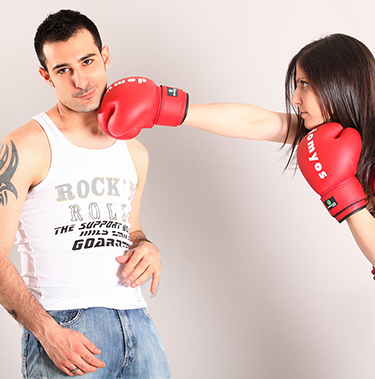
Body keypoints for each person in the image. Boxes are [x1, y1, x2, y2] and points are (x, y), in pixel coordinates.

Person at [0, 9, 185, 378]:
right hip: (66, 327)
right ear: (45, 76)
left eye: (87, 61)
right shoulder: (26, 147)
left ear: (106, 56)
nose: (80, 80)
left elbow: (131, 229)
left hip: (137, 324)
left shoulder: (133, 151)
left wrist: (147, 246)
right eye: (63, 70)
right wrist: (47, 332)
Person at [99, 33, 375, 275]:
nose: (295, 98)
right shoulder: (331, 136)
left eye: (304, 84)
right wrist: (163, 108)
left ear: (338, 85)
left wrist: (343, 194)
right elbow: (255, 122)